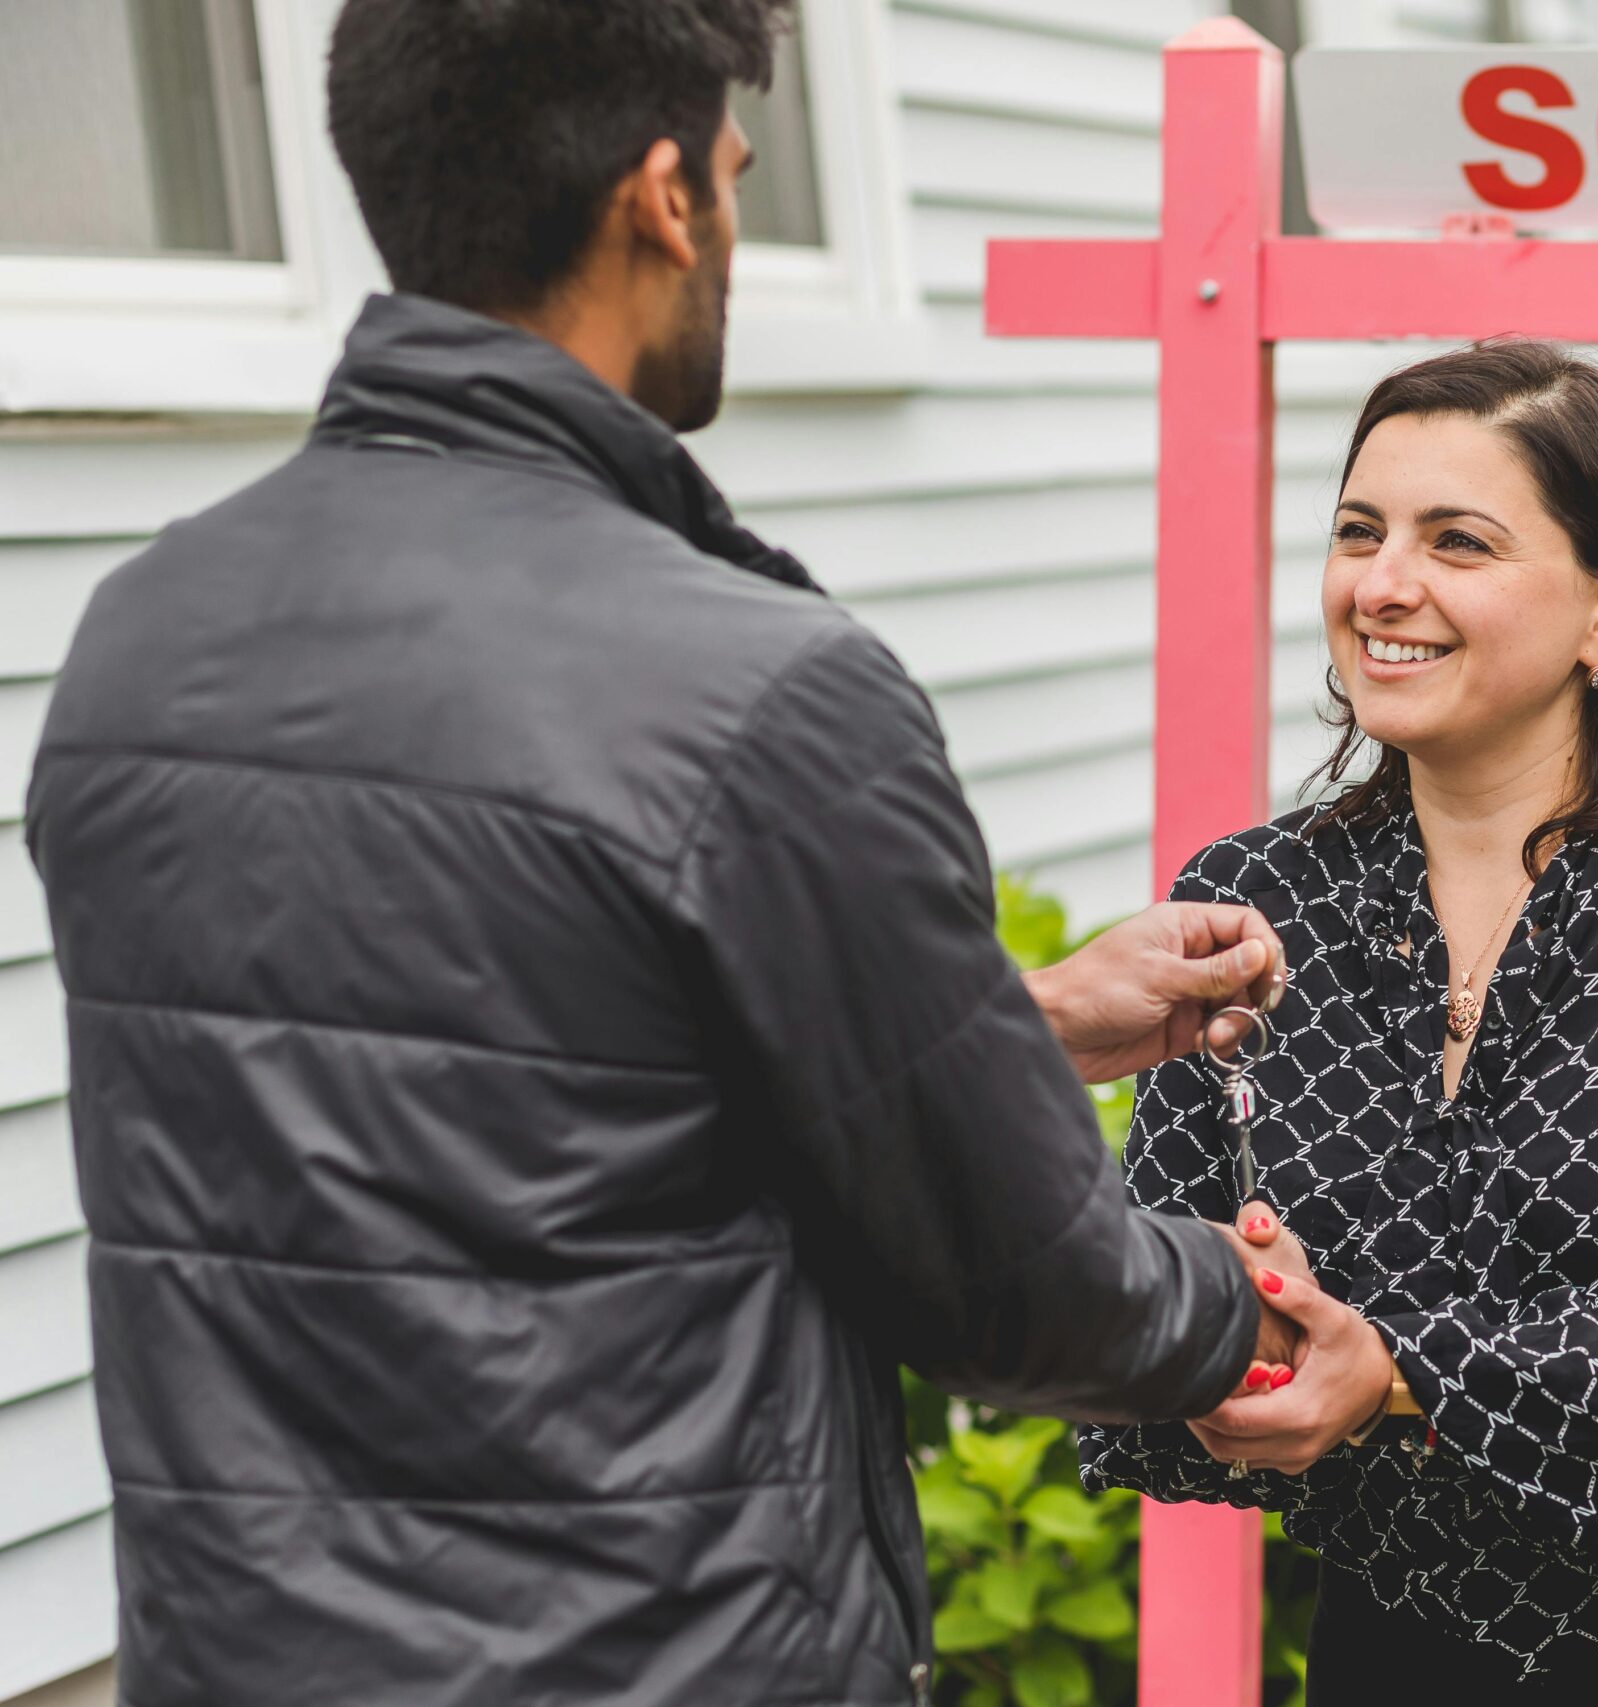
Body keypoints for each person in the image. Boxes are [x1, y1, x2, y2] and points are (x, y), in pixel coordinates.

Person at [24, 4, 1297, 1705]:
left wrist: (1022, 1020)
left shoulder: (139, 642)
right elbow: (1022, 1292)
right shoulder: (757, 693)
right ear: (663, 198)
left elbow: (466, 1066)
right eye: (738, 175)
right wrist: (1240, 1305)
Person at [1080, 340, 1598, 1704]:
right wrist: (1232, 1339)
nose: (1384, 585)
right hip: (1405, 1648)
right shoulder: (1243, 907)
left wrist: (1399, 1368)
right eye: (1358, 533)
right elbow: (1156, 1294)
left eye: (1457, 542)